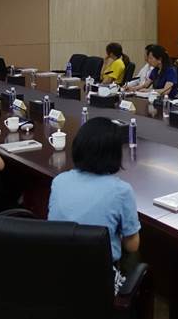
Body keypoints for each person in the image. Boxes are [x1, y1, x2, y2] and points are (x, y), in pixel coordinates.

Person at [48, 117, 141, 291]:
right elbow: (132, 245)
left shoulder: (59, 181)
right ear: (114, 154)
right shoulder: (122, 191)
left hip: (56, 277)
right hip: (99, 284)